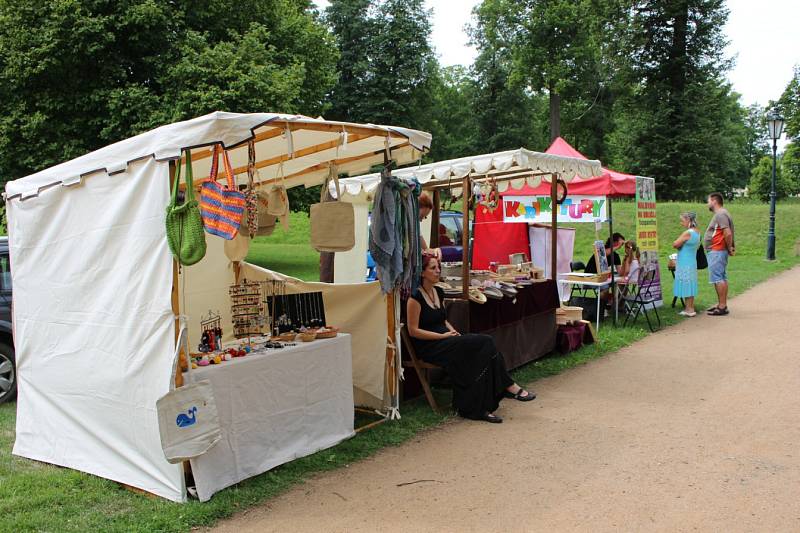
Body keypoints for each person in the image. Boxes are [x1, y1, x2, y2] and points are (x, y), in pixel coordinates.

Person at [406, 255, 535, 423]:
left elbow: (443, 319)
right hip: (430, 346)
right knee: (486, 342)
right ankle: (507, 387)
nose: (438, 271)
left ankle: (479, 407)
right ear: (422, 272)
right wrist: (442, 336)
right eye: (432, 268)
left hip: (446, 340)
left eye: (438, 267)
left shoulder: (438, 291)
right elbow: (413, 330)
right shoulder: (415, 297)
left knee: (484, 354)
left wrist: (453, 332)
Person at [704, 192, 735, 316]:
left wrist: (729, 247)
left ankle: (722, 307)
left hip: (717, 250)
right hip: (717, 250)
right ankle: (722, 304)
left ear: (714, 201)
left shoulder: (721, 214)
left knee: (718, 278)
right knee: (721, 277)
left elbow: (727, 233)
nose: (708, 203)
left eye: (708, 201)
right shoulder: (722, 213)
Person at [672, 212, 700, 317]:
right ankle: (690, 307)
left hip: (684, 261)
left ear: (688, 220)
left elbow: (675, 244)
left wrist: (679, 244)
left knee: (685, 283)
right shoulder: (697, 232)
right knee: (690, 283)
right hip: (692, 261)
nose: (681, 223)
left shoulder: (688, 232)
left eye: (682, 221)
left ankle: (688, 309)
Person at [418, 192, 441, 260]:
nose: (421, 220)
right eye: (421, 216)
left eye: (424, 217)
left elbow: (426, 249)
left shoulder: (416, 228)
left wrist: (435, 250)